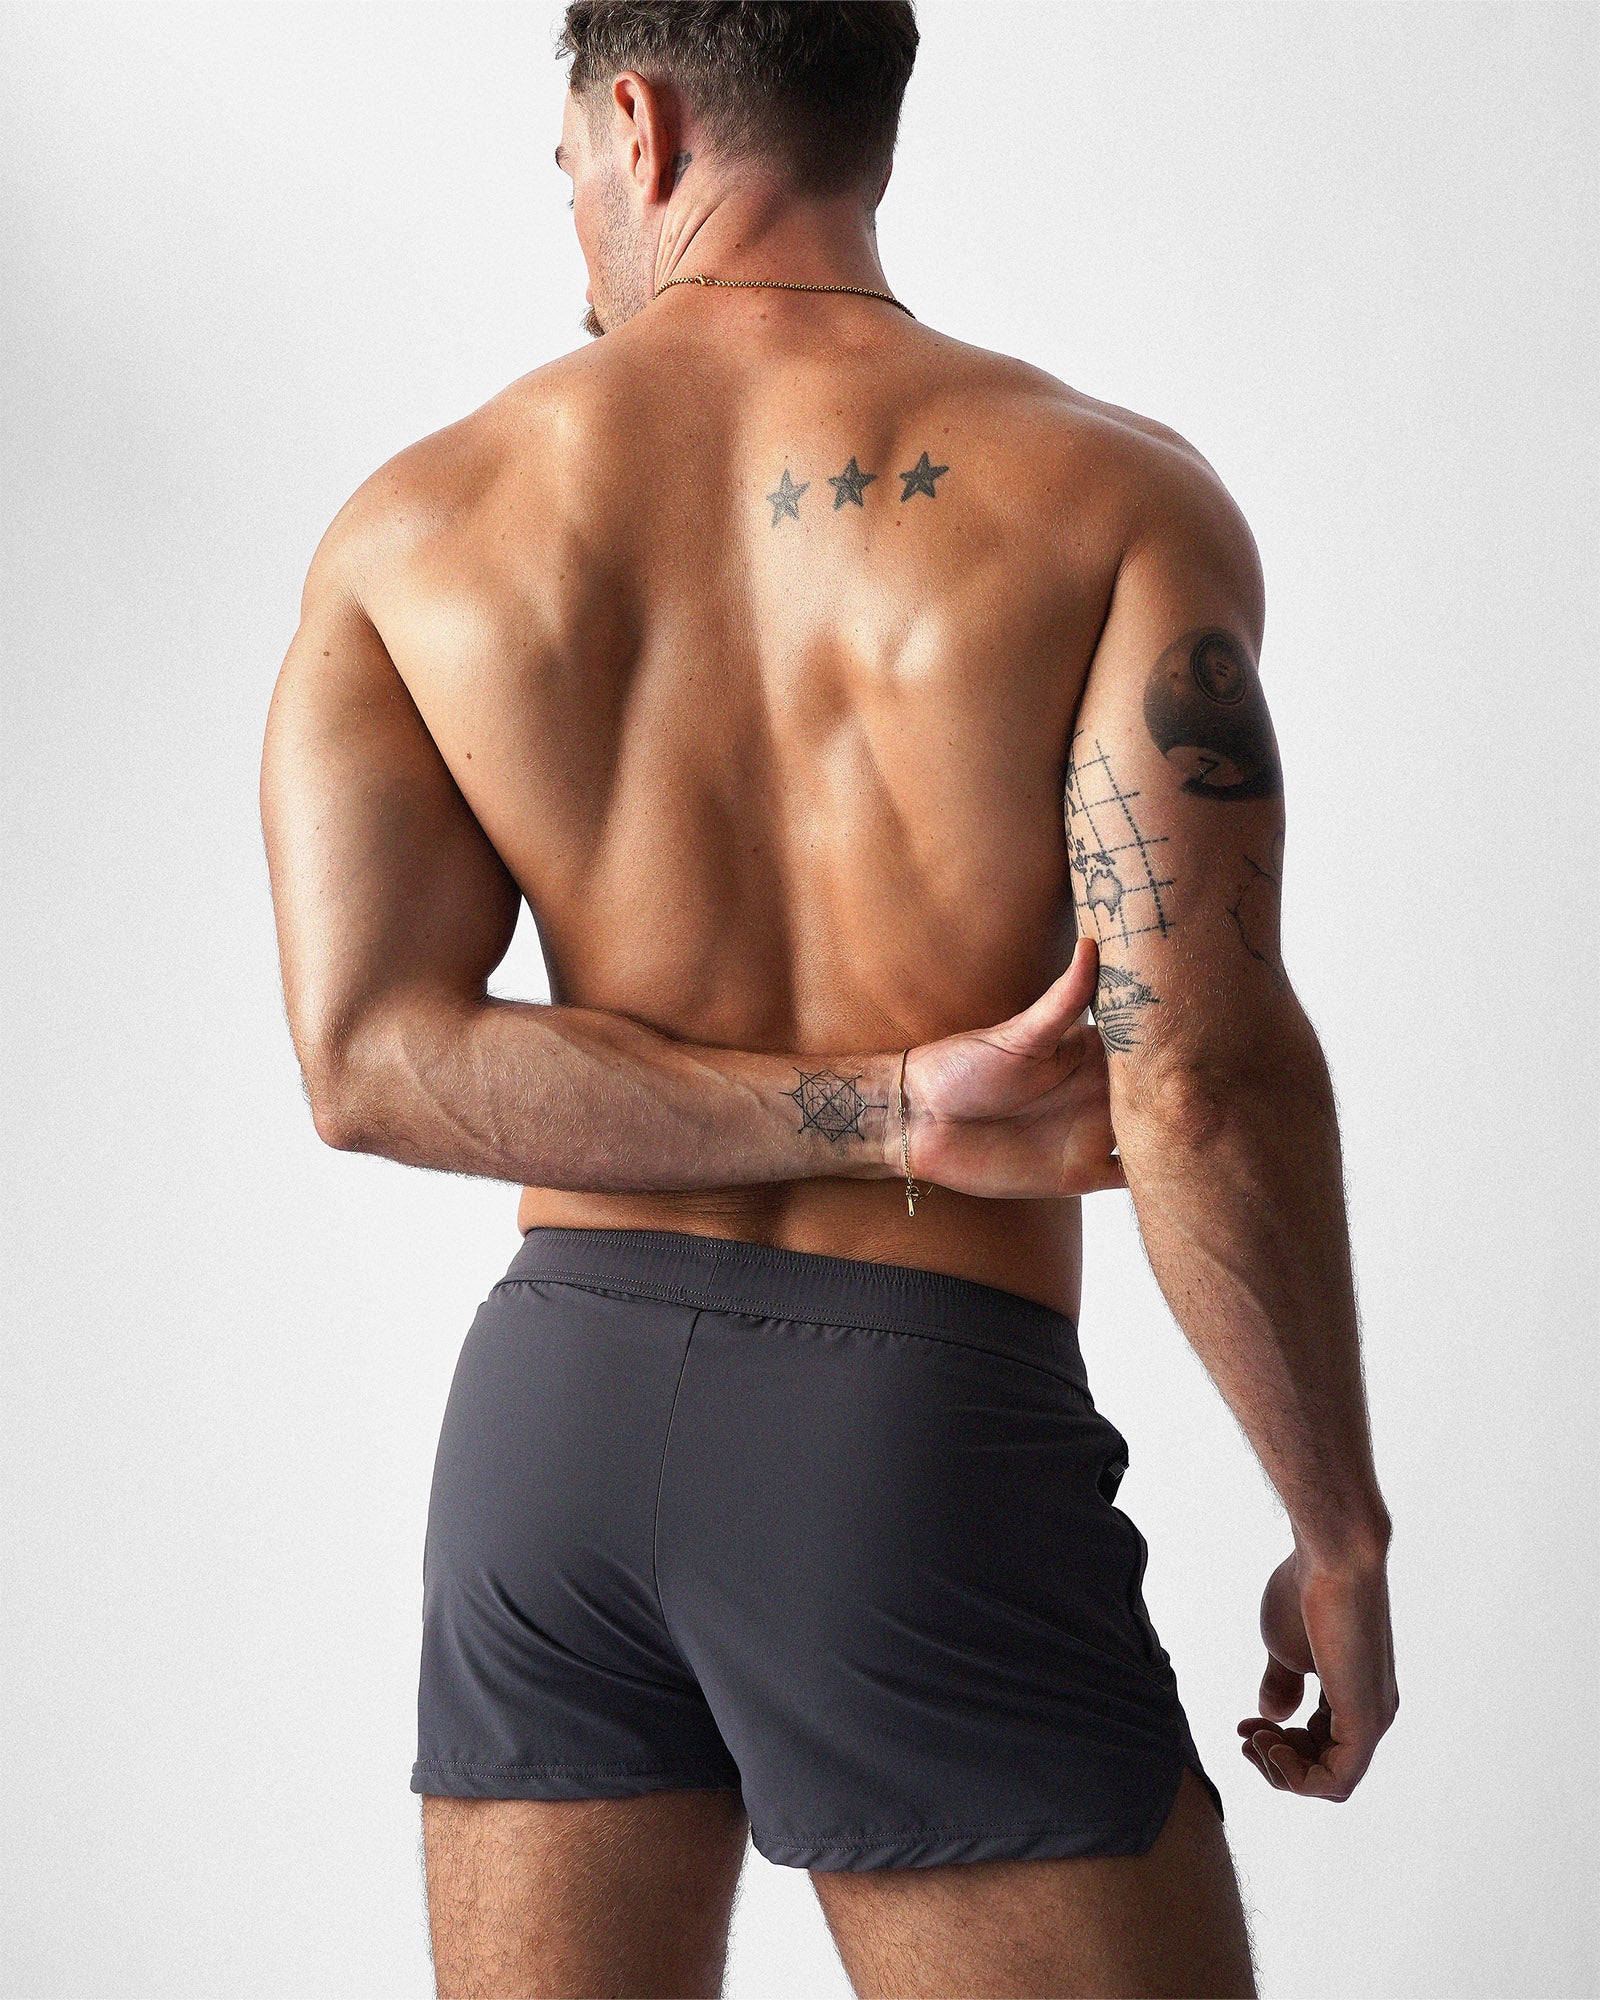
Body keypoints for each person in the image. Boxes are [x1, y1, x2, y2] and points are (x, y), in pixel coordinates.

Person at [260, 3, 1397, 1993]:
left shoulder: (412, 526)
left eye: (567, 170)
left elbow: (369, 1061)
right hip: (912, 1439)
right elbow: (1198, 1078)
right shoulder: (1106, 499)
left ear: (637, 124)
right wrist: (1338, 1530)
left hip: (546, 1445)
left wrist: (868, 1100)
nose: (574, 220)